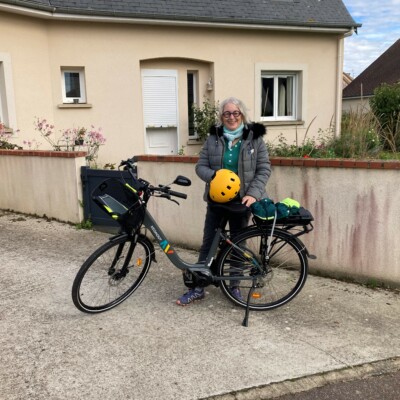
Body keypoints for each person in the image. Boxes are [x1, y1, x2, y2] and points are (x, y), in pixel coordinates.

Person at [176, 97, 272, 306]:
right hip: (216, 200)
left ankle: (234, 285)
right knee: (208, 242)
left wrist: (253, 194)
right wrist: (214, 177)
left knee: (237, 244)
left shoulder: (254, 138)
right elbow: (200, 166)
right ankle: (198, 286)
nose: (231, 117)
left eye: (235, 113)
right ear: (222, 116)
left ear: (242, 115)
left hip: (242, 202)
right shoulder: (214, 139)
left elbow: (264, 169)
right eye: (227, 113)